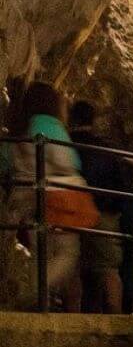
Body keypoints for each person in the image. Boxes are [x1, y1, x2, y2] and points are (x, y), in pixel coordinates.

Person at [8, 83, 86, 311]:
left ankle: (40, 299)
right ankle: (32, 292)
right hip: (53, 195)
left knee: (41, 252)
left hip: (25, 194)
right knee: (66, 252)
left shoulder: (23, 125)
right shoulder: (48, 124)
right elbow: (65, 161)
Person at [67, 101, 130, 314]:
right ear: (93, 120)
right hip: (103, 211)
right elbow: (120, 180)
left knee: (72, 265)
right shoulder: (106, 147)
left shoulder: (65, 144)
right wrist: (116, 208)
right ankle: (117, 315)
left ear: (72, 118)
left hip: (70, 209)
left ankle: (71, 315)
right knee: (108, 267)